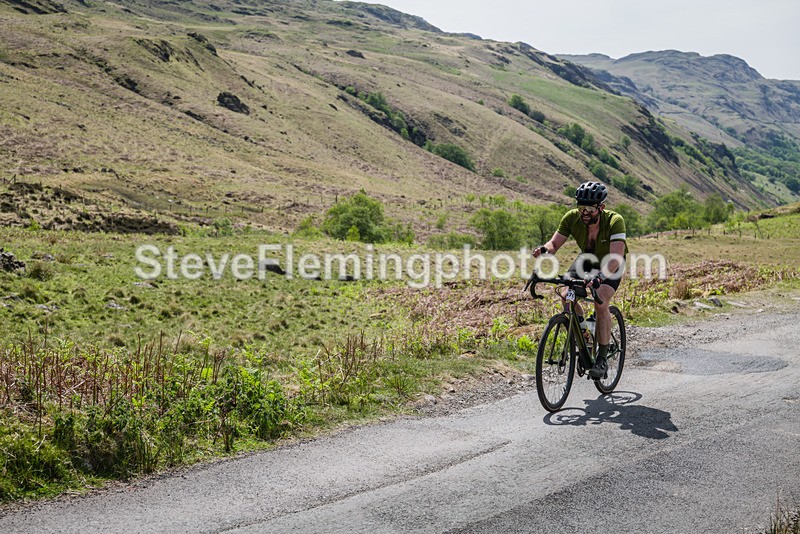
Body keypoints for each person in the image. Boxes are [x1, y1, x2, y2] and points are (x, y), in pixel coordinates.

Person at [532, 181, 628, 380]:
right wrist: (544, 250)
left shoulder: (614, 221)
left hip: (611, 264)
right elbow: (554, 244)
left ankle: (601, 358)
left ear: (601, 207)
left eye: (590, 208)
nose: (584, 212)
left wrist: (600, 278)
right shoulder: (572, 218)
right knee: (566, 293)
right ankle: (584, 334)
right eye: (581, 207)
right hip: (587, 260)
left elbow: (616, 257)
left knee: (600, 300)